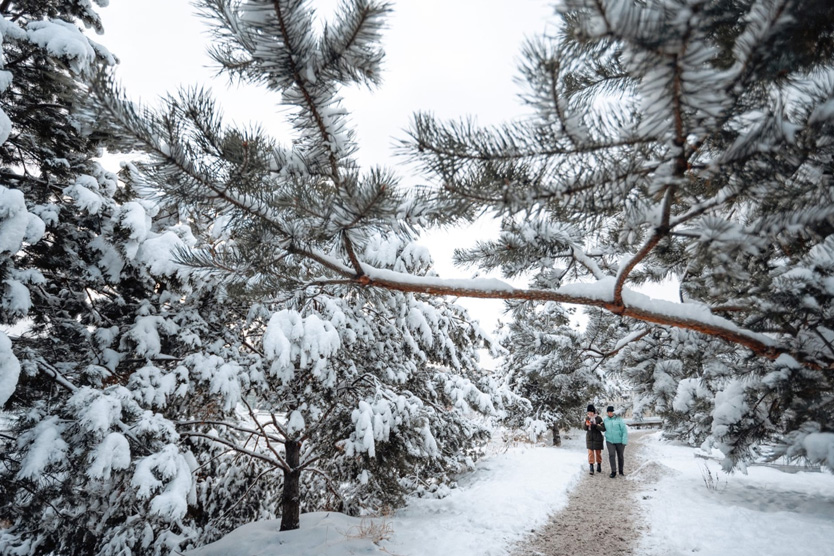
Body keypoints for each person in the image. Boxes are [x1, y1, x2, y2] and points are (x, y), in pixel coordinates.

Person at [603, 405, 628, 478]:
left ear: (614, 412)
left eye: (611, 412)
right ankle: (613, 471)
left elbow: (624, 430)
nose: (609, 413)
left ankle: (621, 471)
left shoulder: (619, 419)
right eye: (608, 412)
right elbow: (603, 428)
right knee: (611, 455)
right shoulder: (605, 420)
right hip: (609, 441)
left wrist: (624, 441)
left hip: (619, 441)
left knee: (620, 456)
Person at [584, 404, 605, 475]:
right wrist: (586, 425)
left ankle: (599, 464)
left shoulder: (598, 418)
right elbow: (584, 428)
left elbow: (603, 428)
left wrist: (596, 426)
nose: (590, 413)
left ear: (594, 411)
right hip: (590, 438)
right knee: (590, 453)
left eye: (591, 412)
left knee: (598, 453)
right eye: (588, 412)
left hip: (597, 438)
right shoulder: (587, 418)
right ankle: (591, 467)